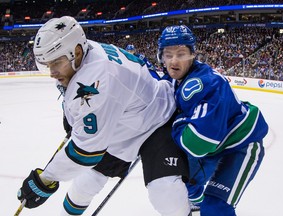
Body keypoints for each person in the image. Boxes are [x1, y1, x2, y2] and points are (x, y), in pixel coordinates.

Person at [16, 16, 192, 216]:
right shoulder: (82, 50)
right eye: (48, 64)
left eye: (56, 63)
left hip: (158, 120)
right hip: (124, 122)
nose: (52, 72)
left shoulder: (98, 78)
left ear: (77, 52)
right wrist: (72, 115)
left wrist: (45, 180)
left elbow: (86, 152)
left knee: (165, 192)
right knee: (84, 185)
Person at [157, 25, 269, 216]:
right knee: (185, 180)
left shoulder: (206, 84)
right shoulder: (179, 75)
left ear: (193, 55)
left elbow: (199, 143)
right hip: (218, 142)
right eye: (168, 54)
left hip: (240, 144)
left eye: (181, 53)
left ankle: (206, 203)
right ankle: (196, 199)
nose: (174, 61)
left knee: (215, 207)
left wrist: (175, 121)